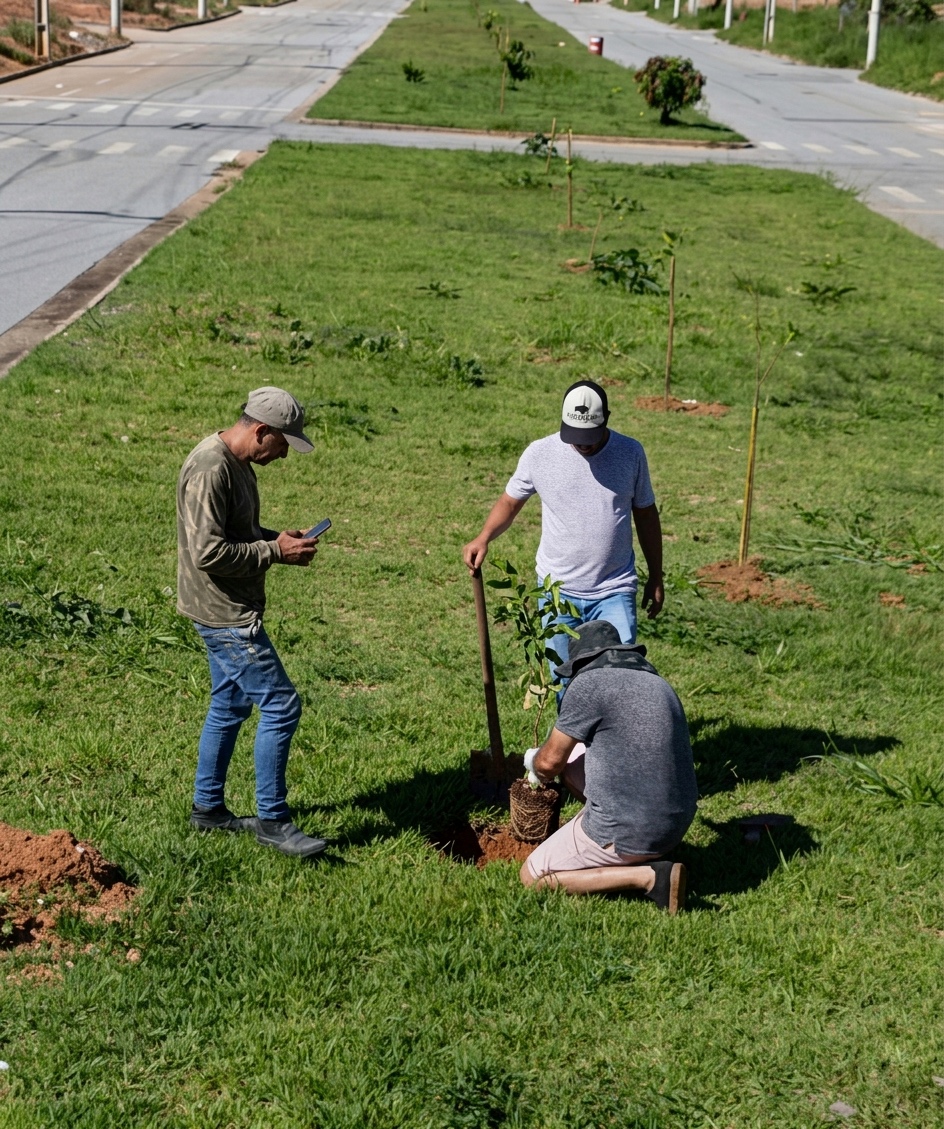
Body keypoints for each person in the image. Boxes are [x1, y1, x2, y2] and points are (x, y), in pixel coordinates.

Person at [176, 386, 327, 859]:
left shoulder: (236, 462)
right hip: (225, 616)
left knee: (229, 706)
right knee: (282, 706)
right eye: (283, 443)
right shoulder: (210, 467)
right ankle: (273, 822)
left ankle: (208, 810)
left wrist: (274, 540)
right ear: (261, 431)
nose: (284, 454)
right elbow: (208, 553)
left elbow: (232, 533)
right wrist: (273, 552)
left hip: (227, 608)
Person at [462, 380, 664, 672]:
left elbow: (646, 514)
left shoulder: (630, 453)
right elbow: (510, 502)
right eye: (575, 435)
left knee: (620, 676)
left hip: (614, 588)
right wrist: (483, 537)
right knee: (563, 682)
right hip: (557, 592)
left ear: (606, 418)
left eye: (590, 436)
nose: (582, 443)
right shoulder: (540, 454)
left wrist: (656, 576)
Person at [520, 621, 697, 912]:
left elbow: (550, 763)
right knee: (578, 752)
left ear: (582, 663)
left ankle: (648, 877)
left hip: (630, 831)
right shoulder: (660, 684)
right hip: (676, 826)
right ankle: (631, 848)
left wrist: (533, 761)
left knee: (534, 876)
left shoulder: (589, 683)